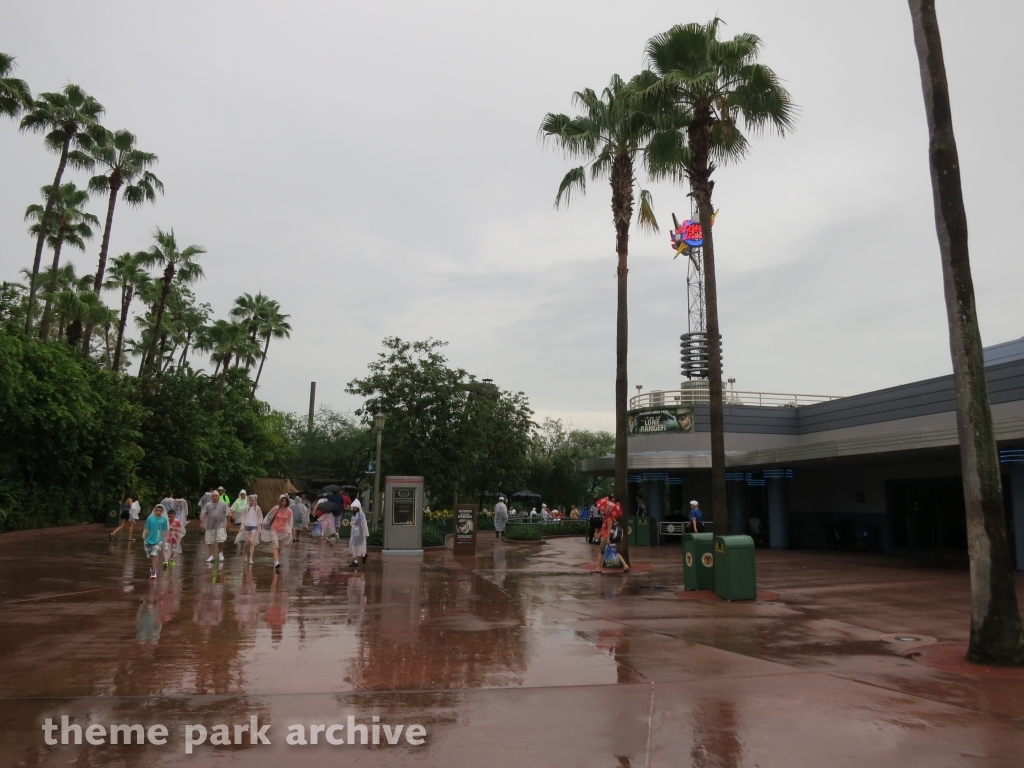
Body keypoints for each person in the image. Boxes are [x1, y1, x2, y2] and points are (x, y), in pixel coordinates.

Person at [262, 494, 293, 570]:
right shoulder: (276, 508)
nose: (284, 502)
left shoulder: (289, 511)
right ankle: (276, 561)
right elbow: (269, 517)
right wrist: (265, 524)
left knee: (280, 548)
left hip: (283, 530)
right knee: (275, 545)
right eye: (282, 501)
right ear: (280, 501)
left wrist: (289, 530)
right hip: (274, 529)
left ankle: (276, 559)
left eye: (285, 501)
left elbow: (290, 522)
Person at [200, 490, 229, 564]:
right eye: (213, 496)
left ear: (218, 497)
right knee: (210, 540)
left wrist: (228, 523)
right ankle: (211, 555)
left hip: (221, 524)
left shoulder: (223, 504)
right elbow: (203, 514)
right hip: (210, 525)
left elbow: (228, 514)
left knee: (220, 539)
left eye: (216, 496)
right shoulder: (208, 505)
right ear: (211, 497)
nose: (215, 497)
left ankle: (220, 552)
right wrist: (202, 522)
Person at [144, 504, 169, 580]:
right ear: (154, 511)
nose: (158, 512)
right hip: (149, 539)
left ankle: (154, 571)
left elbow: (164, 531)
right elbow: (146, 529)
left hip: (159, 540)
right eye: (157, 510)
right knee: (151, 555)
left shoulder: (164, 520)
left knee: (154, 554)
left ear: (162, 511)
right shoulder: (150, 519)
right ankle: (152, 566)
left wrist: (165, 541)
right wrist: (145, 538)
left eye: (160, 511)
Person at [240, 493, 263, 564]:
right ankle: (245, 554)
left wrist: (259, 528)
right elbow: (243, 517)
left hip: (254, 526)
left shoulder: (258, 508)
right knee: (246, 543)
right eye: (250, 500)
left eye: (252, 500)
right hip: (247, 525)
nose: (251, 502)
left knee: (252, 541)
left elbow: (260, 518)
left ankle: (250, 558)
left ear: (255, 500)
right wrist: (242, 525)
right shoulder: (247, 508)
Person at [348, 498, 369, 567]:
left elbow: (364, 524)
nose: (354, 508)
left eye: (355, 507)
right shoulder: (354, 514)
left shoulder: (361, 514)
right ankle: (363, 555)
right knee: (355, 545)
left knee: (358, 546)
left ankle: (355, 561)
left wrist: (366, 533)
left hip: (360, 533)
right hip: (354, 532)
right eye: (353, 507)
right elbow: (351, 522)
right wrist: (353, 523)